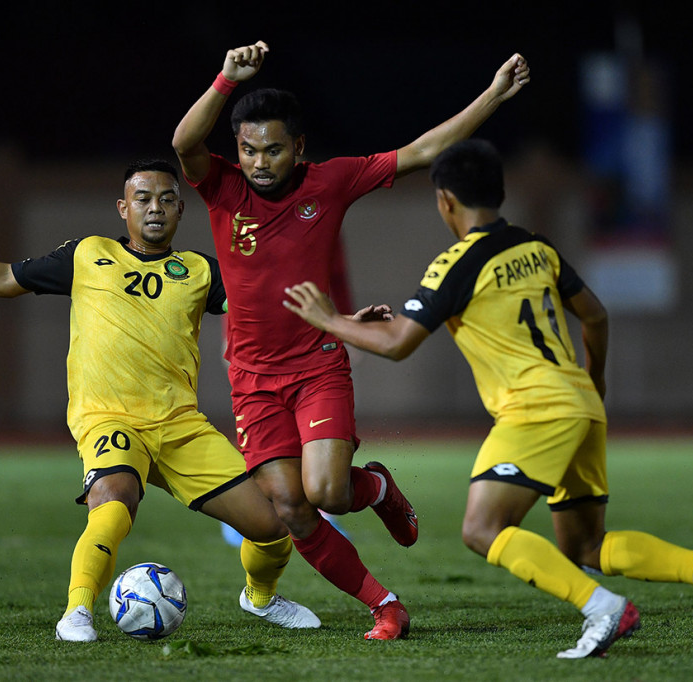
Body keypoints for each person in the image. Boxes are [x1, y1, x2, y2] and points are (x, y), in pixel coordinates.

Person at [283, 138, 693, 658]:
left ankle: (603, 608)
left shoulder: (457, 264)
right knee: (585, 546)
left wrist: (329, 321)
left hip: (534, 409)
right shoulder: (536, 248)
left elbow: (397, 344)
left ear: (446, 201)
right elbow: (595, 316)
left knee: (483, 528)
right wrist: (594, 383)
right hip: (579, 402)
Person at [0, 159, 320, 642]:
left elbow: (269, 306)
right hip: (109, 419)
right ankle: (78, 611)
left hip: (180, 426)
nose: (155, 209)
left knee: (273, 526)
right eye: (144, 199)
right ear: (123, 208)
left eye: (167, 200)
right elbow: (7, 277)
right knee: (113, 500)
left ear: (180, 210)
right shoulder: (88, 254)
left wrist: (343, 320)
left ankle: (259, 597)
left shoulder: (198, 271)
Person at [172, 40, 530, 640]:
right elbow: (185, 144)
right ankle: (385, 605)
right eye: (249, 149)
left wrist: (492, 95)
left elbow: (423, 151)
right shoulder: (221, 188)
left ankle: (377, 486)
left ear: (300, 147)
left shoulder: (331, 182)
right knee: (290, 507)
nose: (260, 162)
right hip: (251, 379)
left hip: (316, 364)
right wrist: (224, 80)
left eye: (274, 149)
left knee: (329, 493)